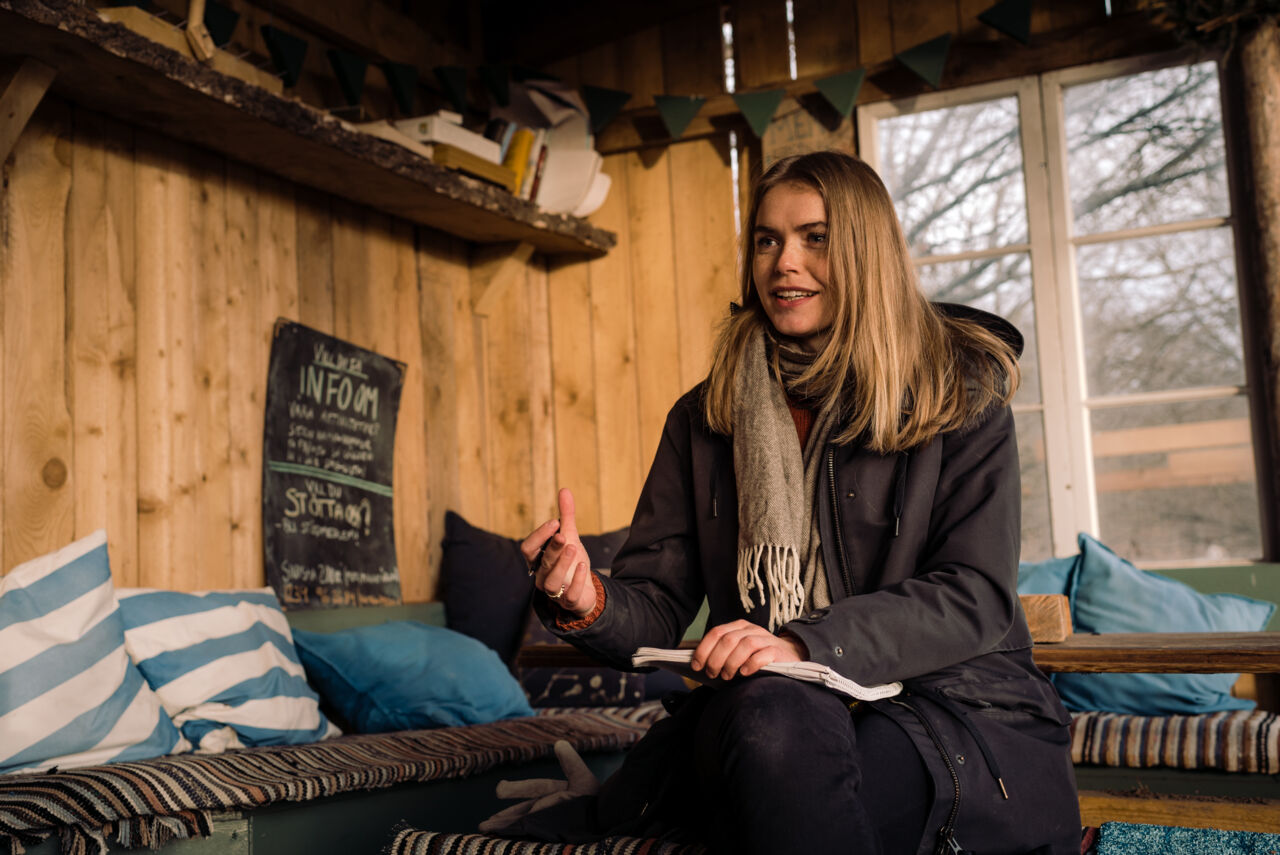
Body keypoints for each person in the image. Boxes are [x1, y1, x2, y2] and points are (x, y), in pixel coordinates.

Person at [518, 151, 1080, 855]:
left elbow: (973, 594)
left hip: (947, 706)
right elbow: (657, 604)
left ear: (866, 251)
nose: (785, 261)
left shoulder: (958, 393)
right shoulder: (705, 415)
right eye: (767, 239)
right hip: (770, 707)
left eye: (815, 237)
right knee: (775, 721)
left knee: (788, 782)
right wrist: (586, 597)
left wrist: (803, 641)